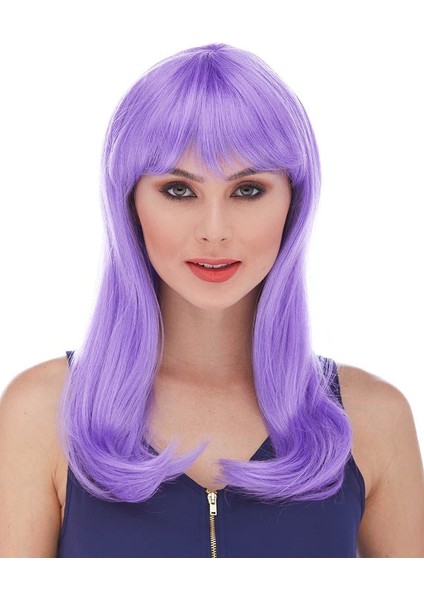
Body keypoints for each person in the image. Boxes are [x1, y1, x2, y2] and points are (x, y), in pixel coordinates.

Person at [1, 43, 423, 558]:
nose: (214, 231)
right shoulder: (42, 413)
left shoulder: (375, 420)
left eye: (248, 190)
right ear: (131, 202)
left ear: (293, 202)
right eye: (179, 190)